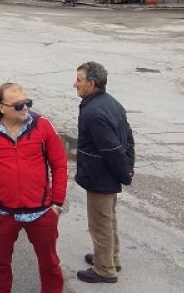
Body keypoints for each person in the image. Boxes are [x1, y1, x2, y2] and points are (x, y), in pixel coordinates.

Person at [0, 83, 68, 293]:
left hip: (41, 212)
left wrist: (57, 204)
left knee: (50, 265)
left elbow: (59, 165)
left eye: (27, 102)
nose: (25, 108)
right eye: (19, 104)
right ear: (1, 107)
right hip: (3, 212)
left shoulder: (43, 126)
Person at [73, 61, 135, 284]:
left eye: (78, 80)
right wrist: (128, 168)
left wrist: (124, 173)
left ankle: (105, 269)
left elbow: (112, 150)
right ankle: (110, 259)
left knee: (100, 225)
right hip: (108, 175)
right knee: (109, 220)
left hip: (101, 177)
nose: (74, 84)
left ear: (91, 83)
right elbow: (128, 138)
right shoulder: (112, 103)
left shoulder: (94, 112)